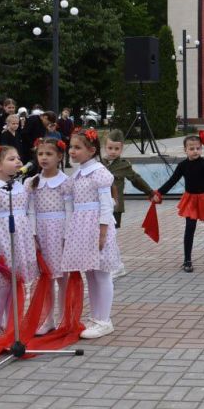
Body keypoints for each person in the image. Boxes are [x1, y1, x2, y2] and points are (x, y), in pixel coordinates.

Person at [63, 129, 121, 339]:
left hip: (96, 227)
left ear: (92, 150)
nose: (72, 151)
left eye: (78, 148)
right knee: (90, 273)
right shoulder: (77, 173)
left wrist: (103, 232)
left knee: (102, 274)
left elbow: (106, 205)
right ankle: (96, 316)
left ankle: (104, 319)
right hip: (81, 227)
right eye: (71, 147)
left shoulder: (99, 173)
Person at [0, 145, 39, 337]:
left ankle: (12, 326)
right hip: (1, 243)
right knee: (1, 288)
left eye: (18, 158)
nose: (18, 161)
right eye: (11, 159)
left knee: (14, 286)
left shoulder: (20, 186)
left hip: (19, 241)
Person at [153, 135, 204, 273]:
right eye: (191, 148)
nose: (195, 151)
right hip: (191, 200)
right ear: (185, 150)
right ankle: (187, 260)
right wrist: (159, 193)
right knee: (190, 228)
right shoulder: (182, 165)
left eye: (198, 148)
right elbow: (172, 181)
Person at [27, 137, 73, 336]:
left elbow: (70, 210)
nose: (44, 158)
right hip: (42, 234)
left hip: (59, 233)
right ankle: (47, 319)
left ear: (60, 156)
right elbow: (30, 211)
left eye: (49, 154)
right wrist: (33, 234)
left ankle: (64, 318)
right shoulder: (32, 182)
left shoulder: (65, 182)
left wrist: (67, 236)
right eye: (40, 154)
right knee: (45, 279)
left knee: (62, 278)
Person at [103, 129, 155, 278]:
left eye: (116, 149)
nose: (113, 152)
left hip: (115, 207)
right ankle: (116, 265)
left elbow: (136, 179)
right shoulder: (100, 163)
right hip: (99, 207)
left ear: (122, 148)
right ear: (104, 147)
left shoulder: (124, 165)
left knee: (110, 237)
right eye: (110, 148)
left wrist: (150, 192)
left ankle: (116, 266)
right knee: (105, 237)